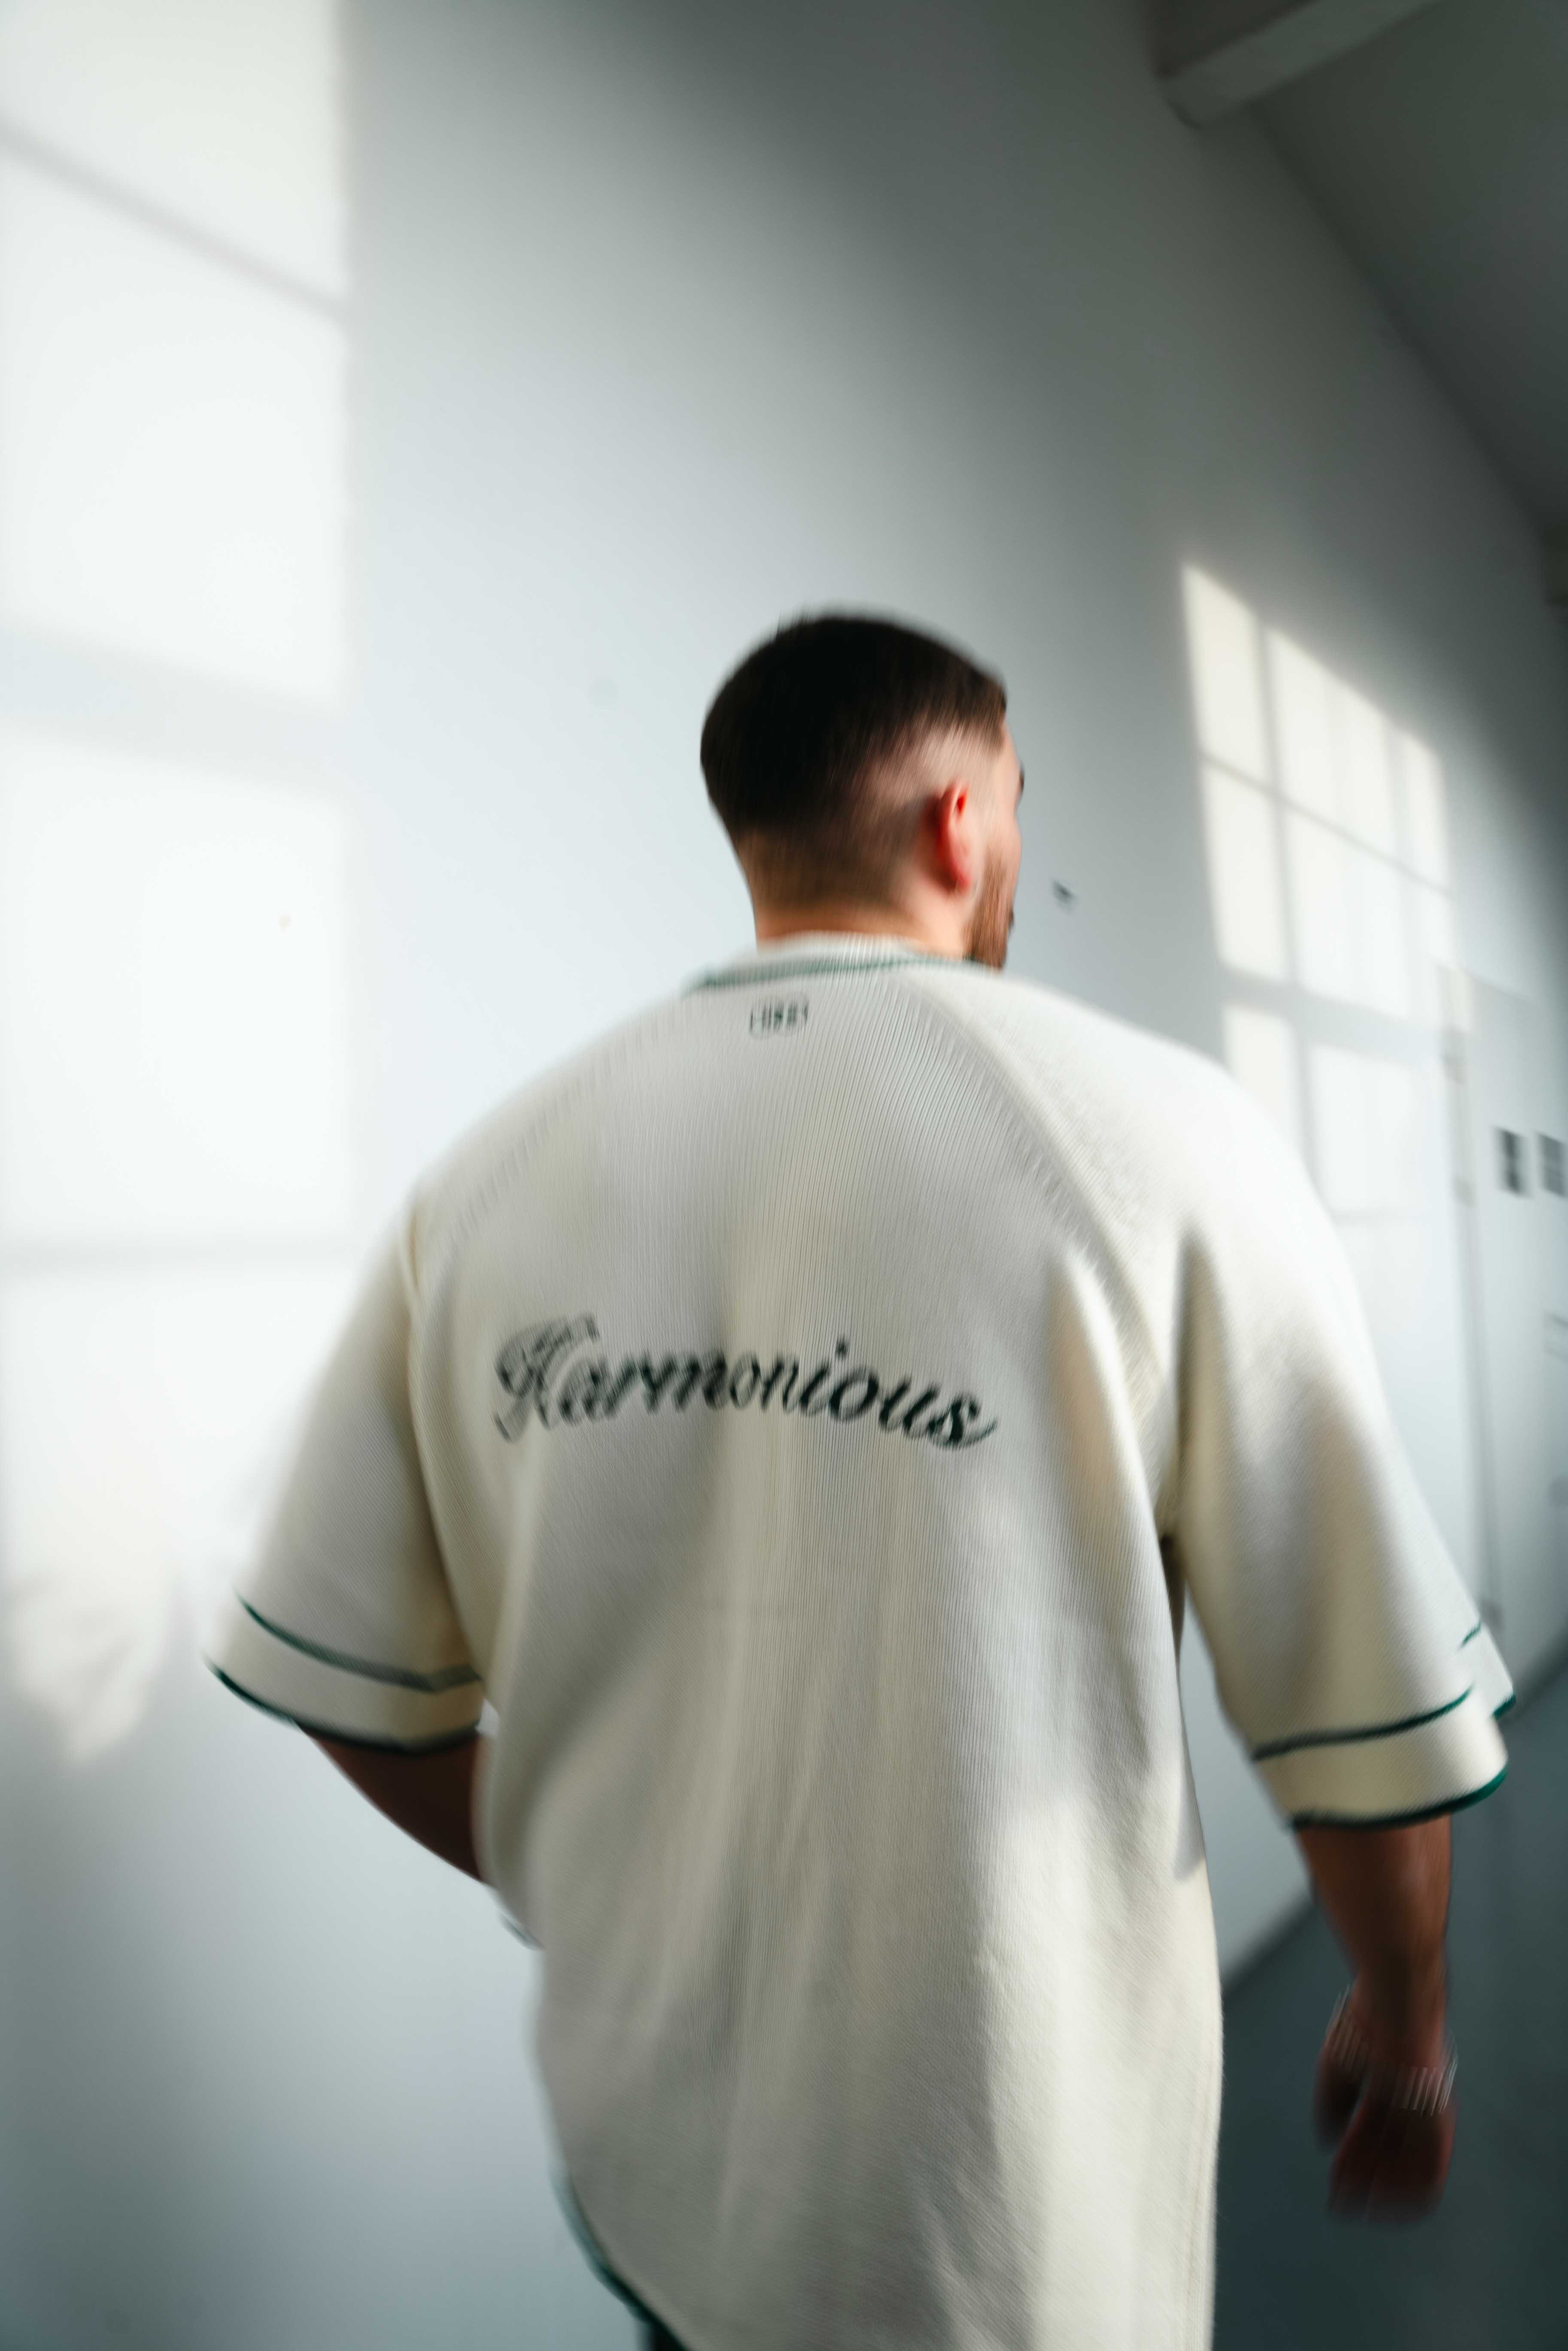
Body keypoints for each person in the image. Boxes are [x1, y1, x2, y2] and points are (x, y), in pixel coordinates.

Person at [204, 612, 1513, 2350]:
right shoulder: (1164, 1141)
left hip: (667, 2176)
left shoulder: (492, 1177)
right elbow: (1360, 1710)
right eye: (1019, 803)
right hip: (1014, 2196)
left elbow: (347, 1677)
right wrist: (1405, 2027)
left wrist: (577, 1860)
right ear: (960, 821)